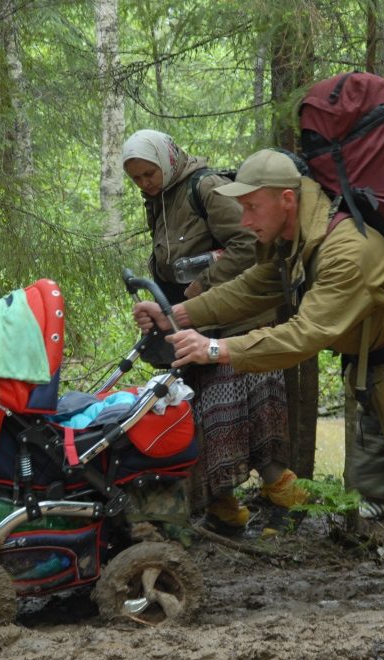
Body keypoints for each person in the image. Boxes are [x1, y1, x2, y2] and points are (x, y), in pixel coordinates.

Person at [133, 149, 384, 613]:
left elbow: (306, 333)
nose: (243, 221)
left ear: (287, 199)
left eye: (251, 207)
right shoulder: (297, 235)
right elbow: (258, 285)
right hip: (377, 378)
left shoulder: (348, 249)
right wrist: (179, 315)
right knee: (369, 480)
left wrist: (216, 349)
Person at [121, 130, 306, 537]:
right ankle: (224, 510)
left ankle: (290, 505)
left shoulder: (202, 187)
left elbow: (248, 243)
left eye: (149, 173)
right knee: (199, 420)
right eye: (136, 178)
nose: (145, 183)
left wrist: (202, 284)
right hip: (194, 327)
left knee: (247, 423)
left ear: (166, 161)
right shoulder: (160, 199)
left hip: (238, 327)